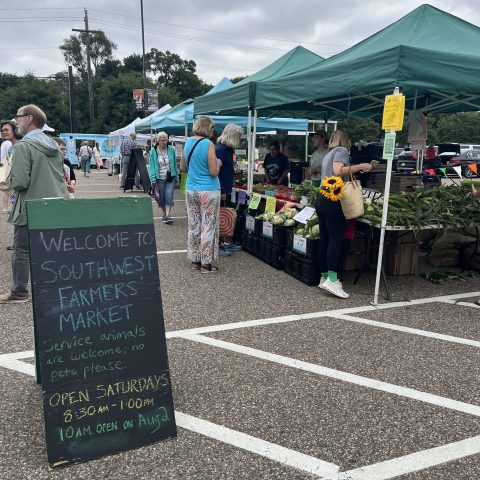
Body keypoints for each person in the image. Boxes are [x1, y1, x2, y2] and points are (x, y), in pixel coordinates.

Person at [0, 104, 66, 304]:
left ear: (29, 119)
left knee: (22, 250)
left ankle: (20, 291)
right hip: (55, 205)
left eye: (18, 117)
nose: (16, 121)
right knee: (50, 248)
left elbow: (19, 182)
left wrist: (5, 180)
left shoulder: (23, 147)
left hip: (30, 206)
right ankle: (53, 287)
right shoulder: (54, 145)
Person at [316, 129, 372, 299]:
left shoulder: (328, 153)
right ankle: (333, 281)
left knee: (324, 239)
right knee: (335, 239)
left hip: (322, 196)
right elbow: (338, 170)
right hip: (333, 199)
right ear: (346, 140)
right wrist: (362, 166)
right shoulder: (341, 151)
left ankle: (324, 276)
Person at [180, 116, 222, 273]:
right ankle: (206, 264)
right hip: (208, 190)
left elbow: (183, 167)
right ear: (208, 128)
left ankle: (195, 260)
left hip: (191, 189)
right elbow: (213, 172)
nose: (213, 132)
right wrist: (218, 163)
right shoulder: (208, 144)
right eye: (212, 129)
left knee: (194, 224)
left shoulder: (188, 142)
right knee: (208, 225)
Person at [215, 123, 243, 256]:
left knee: (226, 215)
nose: (240, 138)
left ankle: (226, 243)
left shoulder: (228, 149)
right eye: (238, 136)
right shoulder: (220, 149)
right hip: (221, 189)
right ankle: (219, 246)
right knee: (220, 216)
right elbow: (216, 172)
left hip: (227, 187)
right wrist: (221, 191)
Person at [1, 120, 23, 251]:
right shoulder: (10, 147)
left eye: (6, 129)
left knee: (20, 216)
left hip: (21, 186)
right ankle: (17, 242)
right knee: (16, 214)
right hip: (14, 187)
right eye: (2, 130)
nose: (4, 132)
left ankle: (20, 243)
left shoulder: (21, 146)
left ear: (15, 130)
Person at [148, 131, 178, 224]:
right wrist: (152, 178)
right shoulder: (153, 151)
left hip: (170, 177)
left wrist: (176, 176)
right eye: (163, 140)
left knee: (169, 194)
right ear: (158, 141)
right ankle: (164, 214)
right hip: (159, 177)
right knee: (161, 197)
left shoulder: (171, 149)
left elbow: (174, 164)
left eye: (166, 140)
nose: (165, 142)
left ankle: (168, 215)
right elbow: (152, 166)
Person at [1, 132, 12, 213]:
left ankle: (6, 207)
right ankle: (6, 207)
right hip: (7, 166)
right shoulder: (8, 143)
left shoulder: (3, 143)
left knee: (5, 189)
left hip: (3, 166)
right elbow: (10, 154)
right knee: (7, 188)